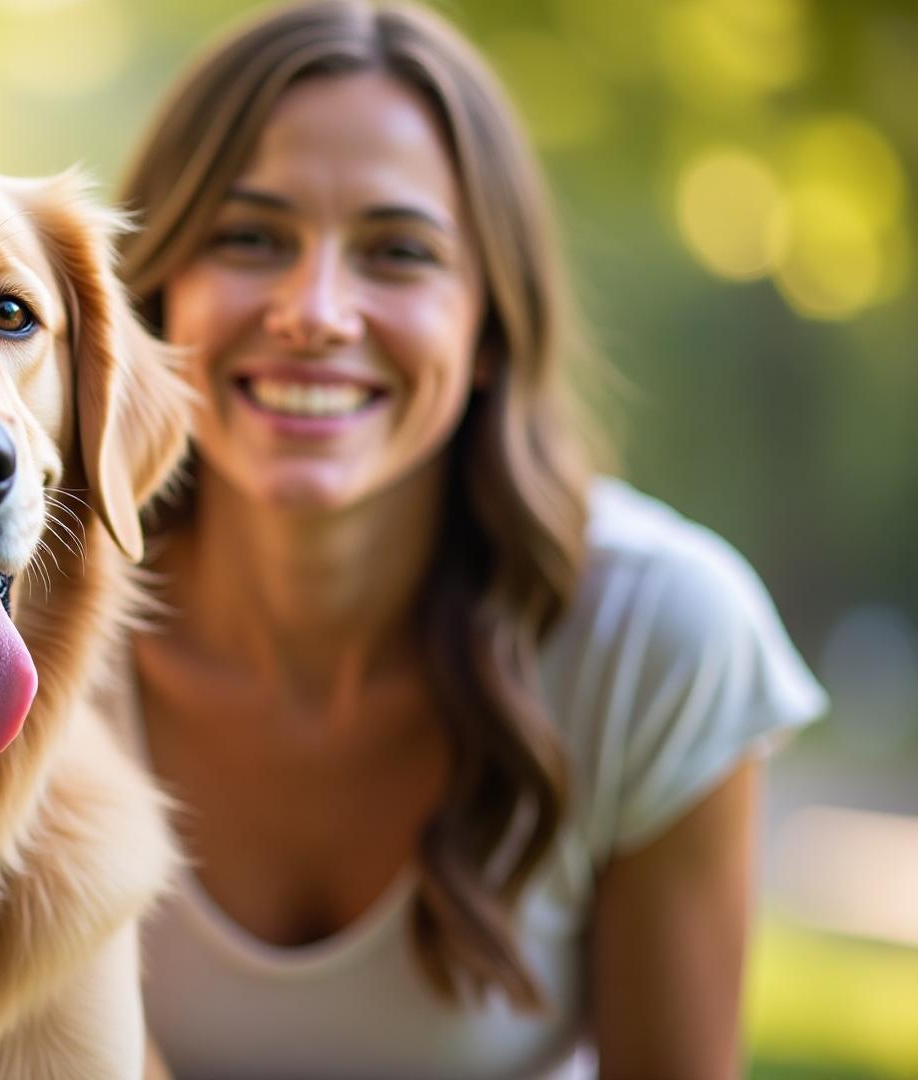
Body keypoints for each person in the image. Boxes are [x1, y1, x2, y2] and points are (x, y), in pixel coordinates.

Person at [107, 2, 828, 1076]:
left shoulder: (657, 637)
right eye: (251, 237)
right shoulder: (16, 630)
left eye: (397, 253)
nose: (316, 311)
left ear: (489, 327)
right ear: (155, 294)